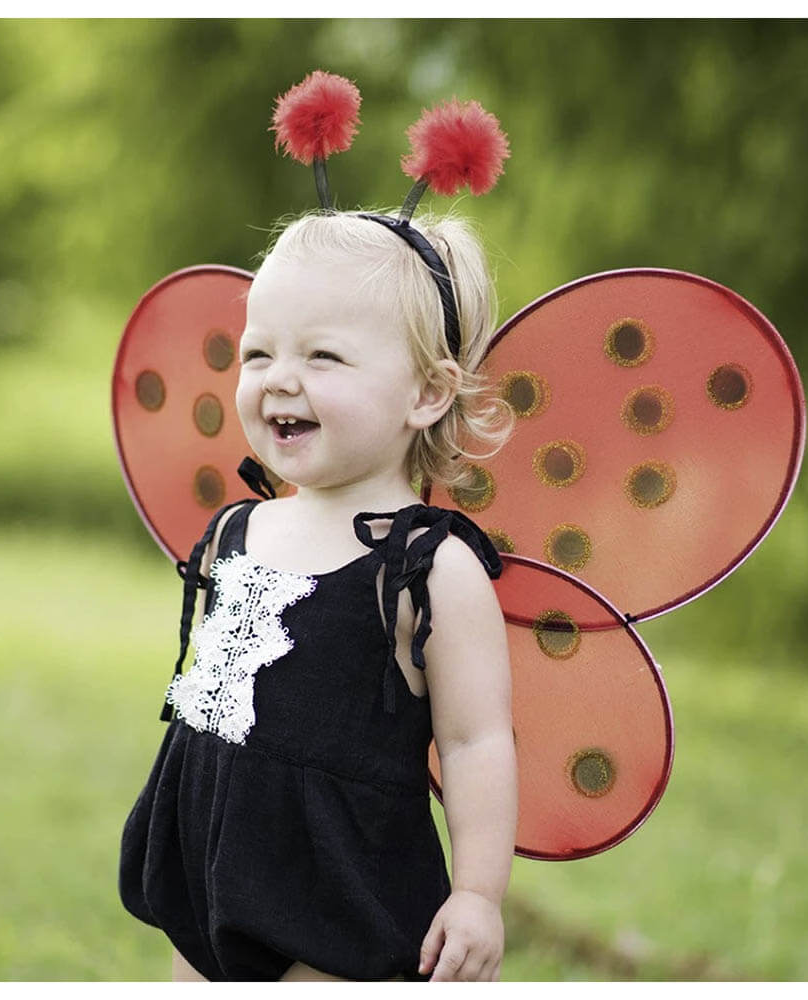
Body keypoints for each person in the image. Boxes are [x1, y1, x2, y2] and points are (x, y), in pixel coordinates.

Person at [119, 203, 517, 982]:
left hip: (342, 894)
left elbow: (477, 741)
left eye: (324, 357)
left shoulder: (427, 569)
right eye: (258, 352)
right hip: (211, 863)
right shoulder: (239, 530)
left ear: (427, 394)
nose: (280, 380)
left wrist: (477, 894)